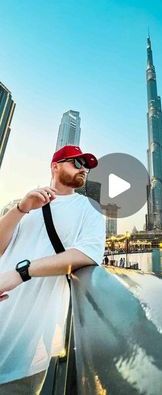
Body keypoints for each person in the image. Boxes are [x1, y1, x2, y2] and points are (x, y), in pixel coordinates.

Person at [0, 145, 105, 394]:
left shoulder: (88, 208)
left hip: (27, 343)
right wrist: (20, 209)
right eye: (76, 163)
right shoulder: (23, 204)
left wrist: (20, 273)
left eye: (86, 166)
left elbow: (87, 254)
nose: (84, 169)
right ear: (55, 166)